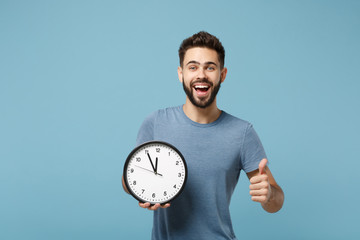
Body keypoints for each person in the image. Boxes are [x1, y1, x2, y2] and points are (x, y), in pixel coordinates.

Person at [122, 31, 284, 240]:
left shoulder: (242, 133)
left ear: (222, 75)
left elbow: (276, 202)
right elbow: (128, 180)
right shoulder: (156, 122)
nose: (201, 75)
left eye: (210, 67)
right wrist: (140, 189)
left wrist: (268, 194)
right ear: (181, 74)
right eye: (193, 67)